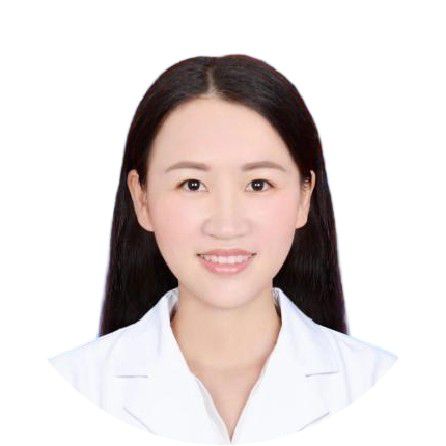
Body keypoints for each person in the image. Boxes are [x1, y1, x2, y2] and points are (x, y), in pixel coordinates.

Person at [48, 54, 398, 444]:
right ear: (141, 198)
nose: (227, 225)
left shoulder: (380, 384)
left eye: (259, 184)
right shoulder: (69, 387)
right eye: (192, 184)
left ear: (304, 198)